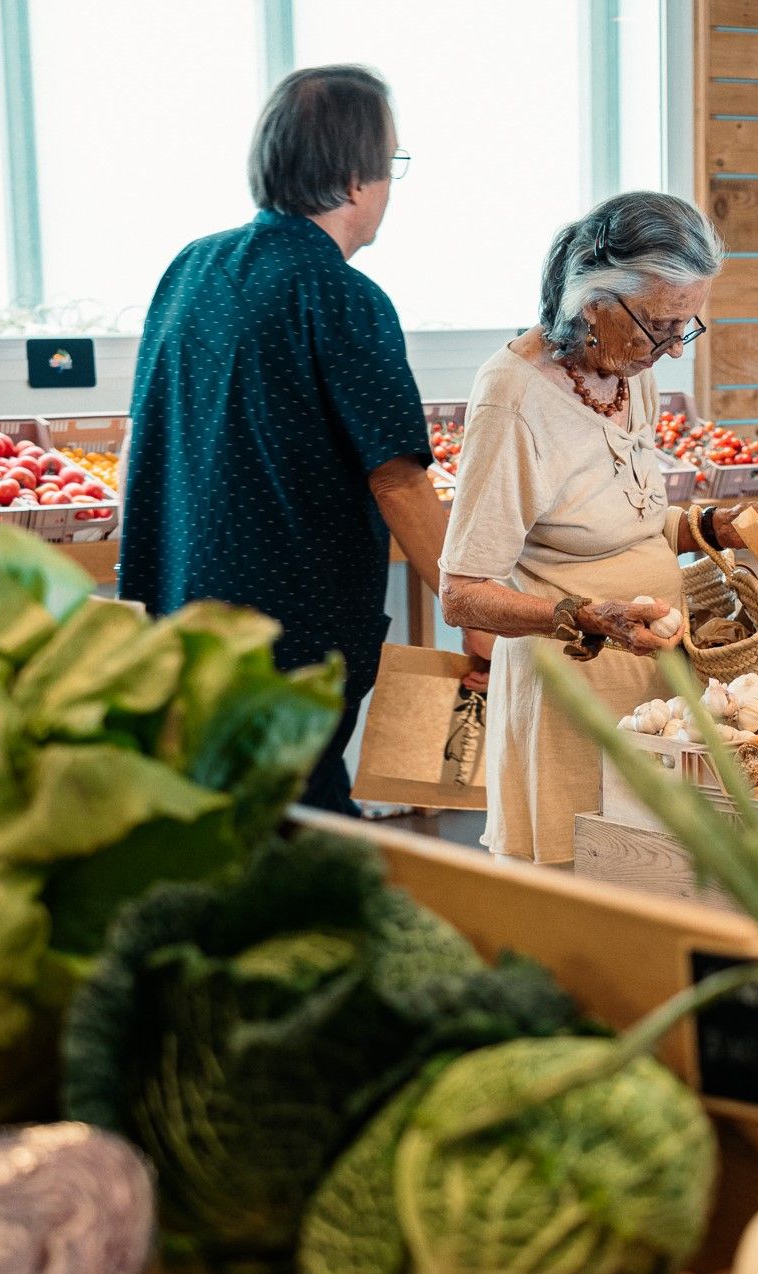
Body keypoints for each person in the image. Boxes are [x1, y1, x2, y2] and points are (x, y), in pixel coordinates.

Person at [120, 64, 493, 814]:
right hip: (284, 642)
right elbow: (400, 480)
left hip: (178, 623)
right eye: (392, 164)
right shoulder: (343, 296)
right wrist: (478, 617)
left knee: (214, 823)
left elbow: (145, 436)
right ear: (356, 178)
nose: (390, 184)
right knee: (303, 830)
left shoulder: (190, 268)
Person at [440, 192, 758, 865]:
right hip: (572, 704)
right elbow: (462, 594)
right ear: (591, 300)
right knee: (584, 909)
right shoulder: (513, 397)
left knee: (665, 893)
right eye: (660, 325)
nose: (675, 349)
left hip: (656, 692)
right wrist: (590, 616)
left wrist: (720, 525)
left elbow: (633, 523)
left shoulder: (630, 370)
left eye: (688, 325)